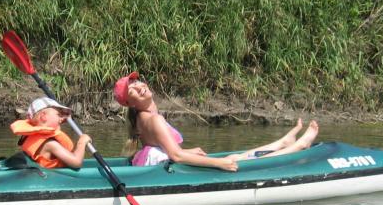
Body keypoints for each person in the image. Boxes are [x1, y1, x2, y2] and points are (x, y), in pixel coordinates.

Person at [114, 72, 319, 172]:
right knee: (234, 160)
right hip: (171, 169)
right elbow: (176, 156)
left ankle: (282, 143)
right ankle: (298, 146)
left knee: (235, 156)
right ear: (129, 103)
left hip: (164, 165)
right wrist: (219, 163)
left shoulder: (142, 118)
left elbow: (159, 146)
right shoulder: (153, 119)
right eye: (132, 90)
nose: (139, 86)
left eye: (137, 81)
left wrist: (189, 151)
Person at [10, 97, 92, 169]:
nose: (61, 118)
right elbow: (76, 162)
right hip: (48, 177)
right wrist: (81, 142)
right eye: (58, 115)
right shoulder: (50, 144)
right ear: (43, 116)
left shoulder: (27, 136)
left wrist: (61, 118)